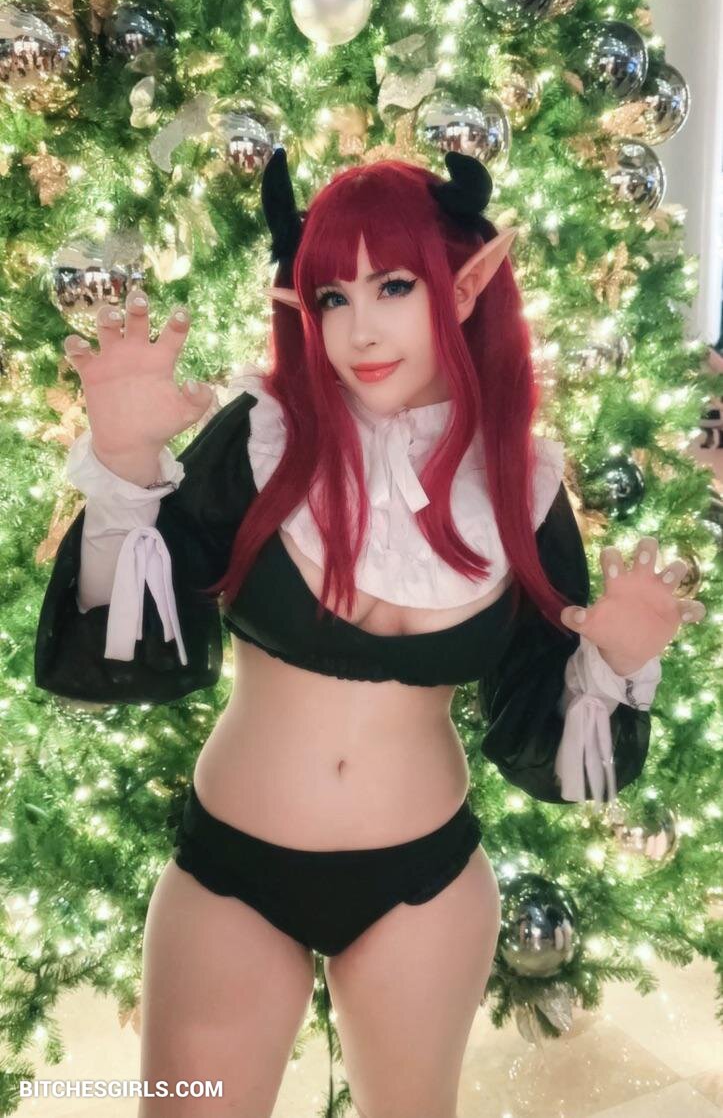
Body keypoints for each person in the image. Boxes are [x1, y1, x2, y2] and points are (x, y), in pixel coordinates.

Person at [34, 149, 705, 1118]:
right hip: (231, 872)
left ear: (461, 288)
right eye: (332, 296)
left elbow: (538, 729)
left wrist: (615, 664)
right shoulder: (262, 436)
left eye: (393, 285)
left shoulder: (520, 486)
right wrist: (126, 462)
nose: (360, 329)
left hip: (423, 883)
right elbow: (129, 641)